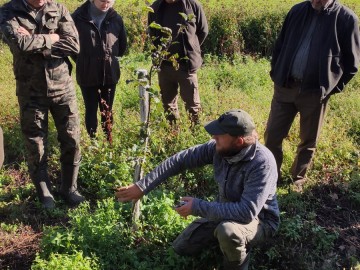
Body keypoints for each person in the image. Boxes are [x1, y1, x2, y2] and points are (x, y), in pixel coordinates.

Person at [116, 109, 280, 270]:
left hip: (260, 221)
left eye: (220, 135)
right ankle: (226, 246)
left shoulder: (262, 163)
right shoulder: (219, 148)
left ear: (239, 141)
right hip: (224, 209)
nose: (213, 137)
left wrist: (197, 207)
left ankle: (237, 263)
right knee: (181, 248)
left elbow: (246, 212)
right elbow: (180, 160)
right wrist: (142, 186)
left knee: (228, 232)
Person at [265, 0, 360, 187]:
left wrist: (330, 87)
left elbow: (352, 64)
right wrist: (277, 71)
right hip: (285, 86)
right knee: (272, 136)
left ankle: (297, 179)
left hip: (315, 93)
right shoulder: (297, 11)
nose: (315, 1)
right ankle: (270, 177)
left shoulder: (346, 19)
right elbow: (280, 44)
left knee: (308, 140)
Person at [0, 0, 85, 209]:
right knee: (36, 145)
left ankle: (69, 188)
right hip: (31, 92)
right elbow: (20, 44)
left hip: (63, 89)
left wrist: (37, 42)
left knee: (72, 139)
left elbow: (73, 44)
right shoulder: (9, 12)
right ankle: (44, 192)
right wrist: (53, 38)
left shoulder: (59, 9)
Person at [72, 0, 127, 142]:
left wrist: (109, 59)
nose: (106, 4)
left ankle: (109, 143)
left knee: (107, 111)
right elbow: (71, 48)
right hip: (87, 73)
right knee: (90, 110)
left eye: (109, 1)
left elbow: (121, 47)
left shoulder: (116, 18)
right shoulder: (77, 18)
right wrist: (84, 61)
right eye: (102, 1)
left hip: (109, 73)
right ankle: (93, 143)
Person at [148, 0, 208, 126]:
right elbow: (152, 34)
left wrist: (191, 48)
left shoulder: (193, 5)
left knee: (193, 106)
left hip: (186, 65)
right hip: (164, 65)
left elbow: (203, 31)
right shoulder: (155, 7)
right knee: (168, 104)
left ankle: (195, 136)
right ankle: (173, 134)